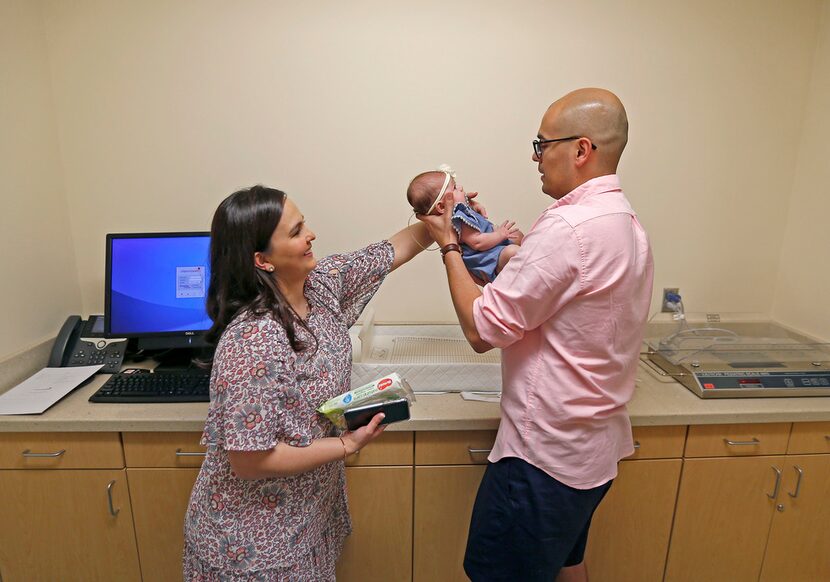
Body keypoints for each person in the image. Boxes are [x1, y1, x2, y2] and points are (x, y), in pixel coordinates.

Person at [417, 88, 654, 582]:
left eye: (542, 144)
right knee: (569, 563)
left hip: (543, 461)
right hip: (592, 455)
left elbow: (482, 330)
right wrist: (495, 250)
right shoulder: (625, 223)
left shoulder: (567, 227)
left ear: (581, 150)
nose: (535, 156)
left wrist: (448, 248)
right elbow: (549, 286)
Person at [183, 185, 434, 581]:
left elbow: (392, 250)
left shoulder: (321, 285)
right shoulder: (254, 339)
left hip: (306, 519)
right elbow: (249, 460)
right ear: (262, 260)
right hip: (255, 547)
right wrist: (346, 444)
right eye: (297, 230)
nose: (311, 235)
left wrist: (444, 214)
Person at [407, 169, 522, 283]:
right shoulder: (458, 218)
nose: (461, 187)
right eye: (455, 188)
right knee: (512, 252)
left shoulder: (458, 212)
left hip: (490, 248)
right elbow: (478, 242)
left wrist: (467, 204)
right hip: (487, 259)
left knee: (517, 235)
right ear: (441, 207)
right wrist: (500, 234)